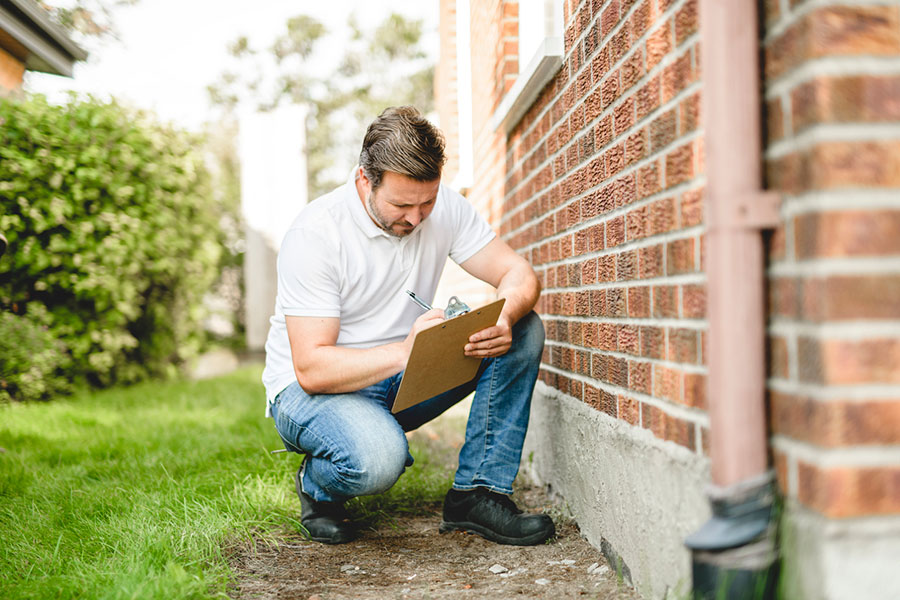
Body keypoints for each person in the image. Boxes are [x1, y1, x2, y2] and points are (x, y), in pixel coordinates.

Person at [262, 106, 553, 546]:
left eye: (427, 203)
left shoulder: (445, 207)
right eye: (401, 205)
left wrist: (505, 315)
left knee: (523, 330)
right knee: (379, 460)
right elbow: (312, 369)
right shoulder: (316, 234)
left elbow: (519, 274)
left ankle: (478, 494)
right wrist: (405, 351)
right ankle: (317, 486)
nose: (416, 219)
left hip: (402, 377)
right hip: (313, 393)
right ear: (365, 180)